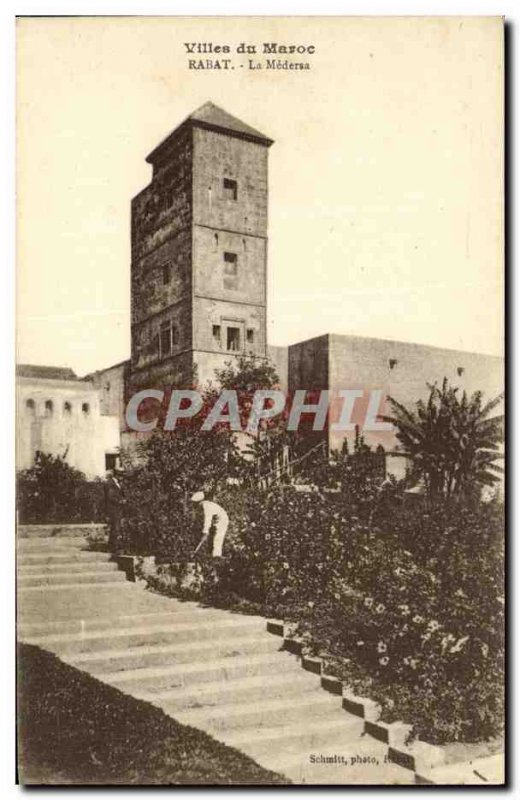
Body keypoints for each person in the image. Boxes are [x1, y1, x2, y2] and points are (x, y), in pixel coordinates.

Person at [191, 491, 229, 558]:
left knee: (217, 540)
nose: (193, 505)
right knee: (210, 542)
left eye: (194, 503)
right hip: (214, 521)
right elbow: (196, 520)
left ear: (199, 502)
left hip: (222, 520)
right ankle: (210, 558)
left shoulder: (206, 507)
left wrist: (205, 532)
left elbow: (207, 520)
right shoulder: (199, 508)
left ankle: (216, 558)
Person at [104, 467, 124, 552]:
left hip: (116, 508)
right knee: (116, 527)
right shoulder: (110, 483)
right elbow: (110, 497)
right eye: (121, 475)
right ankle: (114, 547)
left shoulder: (116, 483)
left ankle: (112, 546)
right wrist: (120, 501)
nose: (122, 477)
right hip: (113, 509)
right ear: (117, 475)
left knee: (115, 528)